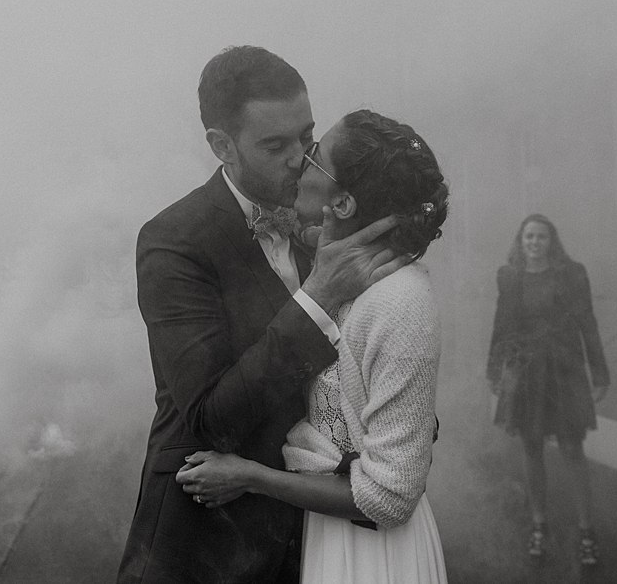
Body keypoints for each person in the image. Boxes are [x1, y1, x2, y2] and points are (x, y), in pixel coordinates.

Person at [118, 48, 407, 584]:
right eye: (275, 146)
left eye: (307, 137)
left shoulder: (325, 220)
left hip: (313, 533)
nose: (301, 160)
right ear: (221, 146)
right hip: (203, 541)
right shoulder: (173, 240)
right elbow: (212, 417)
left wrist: (401, 412)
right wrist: (318, 297)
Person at [176, 109, 450, 583]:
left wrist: (250, 476)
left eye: (314, 155)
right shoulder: (335, 266)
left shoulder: (400, 300)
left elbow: (391, 498)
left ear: (342, 203)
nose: (300, 160)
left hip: (375, 553)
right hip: (326, 535)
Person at [486, 213, 609, 565]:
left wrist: (600, 373)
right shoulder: (510, 277)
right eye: (529, 237)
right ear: (520, 241)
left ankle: (587, 530)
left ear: (551, 241)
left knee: (572, 448)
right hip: (526, 373)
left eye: (541, 236)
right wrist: (494, 370)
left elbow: (588, 323)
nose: (535, 242)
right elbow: (502, 326)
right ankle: (539, 525)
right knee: (532, 446)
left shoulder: (572, 274)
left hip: (564, 372)